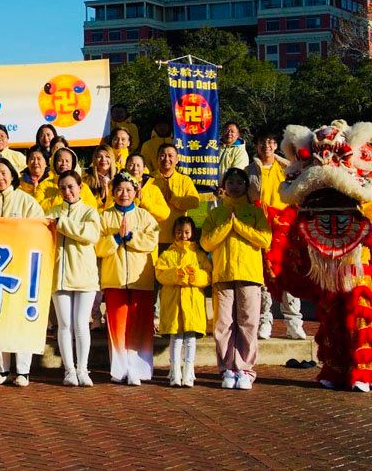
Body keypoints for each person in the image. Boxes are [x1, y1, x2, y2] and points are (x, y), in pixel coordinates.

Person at [200, 167, 272, 390]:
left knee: (248, 323)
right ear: (224, 186)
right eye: (230, 182)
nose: (235, 186)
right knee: (223, 324)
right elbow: (206, 243)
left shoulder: (254, 212)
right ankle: (227, 369)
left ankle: (245, 369)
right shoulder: (216, 214)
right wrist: (227, 226)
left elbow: (265, 240)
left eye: (240, 183)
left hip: (249, 275)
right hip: (223, 274)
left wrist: (238, 226)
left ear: (246, 187)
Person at [0, 159, 45, 387]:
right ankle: (2, 370)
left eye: (3, 173)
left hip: (20, 267)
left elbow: (40, 228)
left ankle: (23, 371)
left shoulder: (26, 201)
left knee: (20, 319)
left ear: (12, 175)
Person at [96, 173, 159, 385]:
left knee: (139, 325)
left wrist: (131, 237)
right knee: (117, 324)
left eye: (129, 190)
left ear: (135, 192)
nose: (124, 194)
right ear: (113, 192)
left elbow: (152, 241)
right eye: (120, 190)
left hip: (140, 279)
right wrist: (115, 238)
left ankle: (138, 369)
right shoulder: (104, 217)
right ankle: (120, 369)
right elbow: (97, 247)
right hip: (114, 279)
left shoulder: (145, 216)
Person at [44, 171, 101, 387]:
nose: (67, 191)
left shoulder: (89, 211)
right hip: (59, 276)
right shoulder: (52, 212)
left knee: (80, 324)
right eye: (63, 188)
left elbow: (91, 235)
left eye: (71, 187)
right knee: (64, 325)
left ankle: (83, 369)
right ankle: (69, 370)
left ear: (80, 187)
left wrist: (62, 224)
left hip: (84, 277)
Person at [247, 132, 305, 340]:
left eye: (271, 142)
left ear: (276, 145)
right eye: (263, 142)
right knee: (263, 276)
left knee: (288, 273)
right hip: (261, 227)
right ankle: (265, 320)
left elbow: (298, 194)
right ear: (257, 145)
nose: (267, 146)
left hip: (285, 228)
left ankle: (294, 322)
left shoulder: (288, 168)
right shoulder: (249, 170)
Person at [156, 216, 211, 388]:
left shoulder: (199, 254)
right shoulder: (168, 254)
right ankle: (175, 371)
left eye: (186, 232)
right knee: (176, 337)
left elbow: (207, 275)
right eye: (179, 232)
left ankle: (188, 371)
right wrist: (176, 274)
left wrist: (194, 275)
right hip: (174, 304)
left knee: (190, 339)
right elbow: (160, 274)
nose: (183, 236)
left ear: (192, 232)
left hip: (192, 304)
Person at [141, 144, 200, 249]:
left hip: (178, 238)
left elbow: (195, 202)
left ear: (177, 159)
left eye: (170, 156)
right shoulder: (148, 180)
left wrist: (175, 200)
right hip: (153, 236)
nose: (166, 159)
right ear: (157, 159)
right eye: (162, 155)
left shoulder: (184, 180)